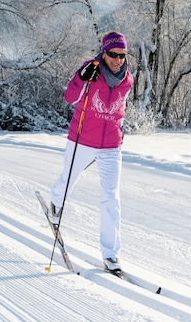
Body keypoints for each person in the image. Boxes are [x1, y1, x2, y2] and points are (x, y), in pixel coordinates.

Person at [49, 31, 134, 274]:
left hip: (111, 146)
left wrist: (120, 129)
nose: (117, 59)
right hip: (82, 140)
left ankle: (111, 255)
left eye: (122, 55)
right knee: (68, 181)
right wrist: (79, 78)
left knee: (111, 197)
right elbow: (70, 98)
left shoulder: (127, 79)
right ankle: (56, 204)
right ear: (104, 52)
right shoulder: (91, 70)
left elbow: (120, 108)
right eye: (112, 54)